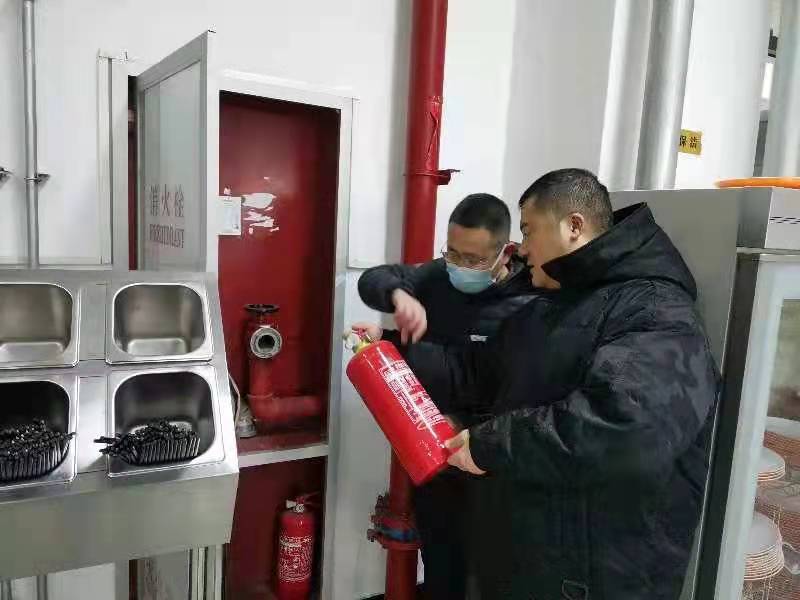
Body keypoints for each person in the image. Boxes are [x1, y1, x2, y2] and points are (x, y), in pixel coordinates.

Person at [361, 169, 719, 599]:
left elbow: (628, 425)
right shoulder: (552, 308)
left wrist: (491, 443)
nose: (524, 247)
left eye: (529, 230)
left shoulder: (654, 310)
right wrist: (389, 350)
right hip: (533, 565)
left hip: (600, 578)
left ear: (573, 226)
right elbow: (477, 372)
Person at [357, 192, 536, 600]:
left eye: (473, 259)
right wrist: (399, 300)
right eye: (452, 252)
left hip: (493, 464)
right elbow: (375, 280)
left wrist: (404, 349)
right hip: (438, 458)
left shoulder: (527, 300)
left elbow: (491, 381)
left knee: (489, 576)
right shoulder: (440, 277)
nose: (459, 266)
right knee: (441, 564)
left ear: (505, 252)